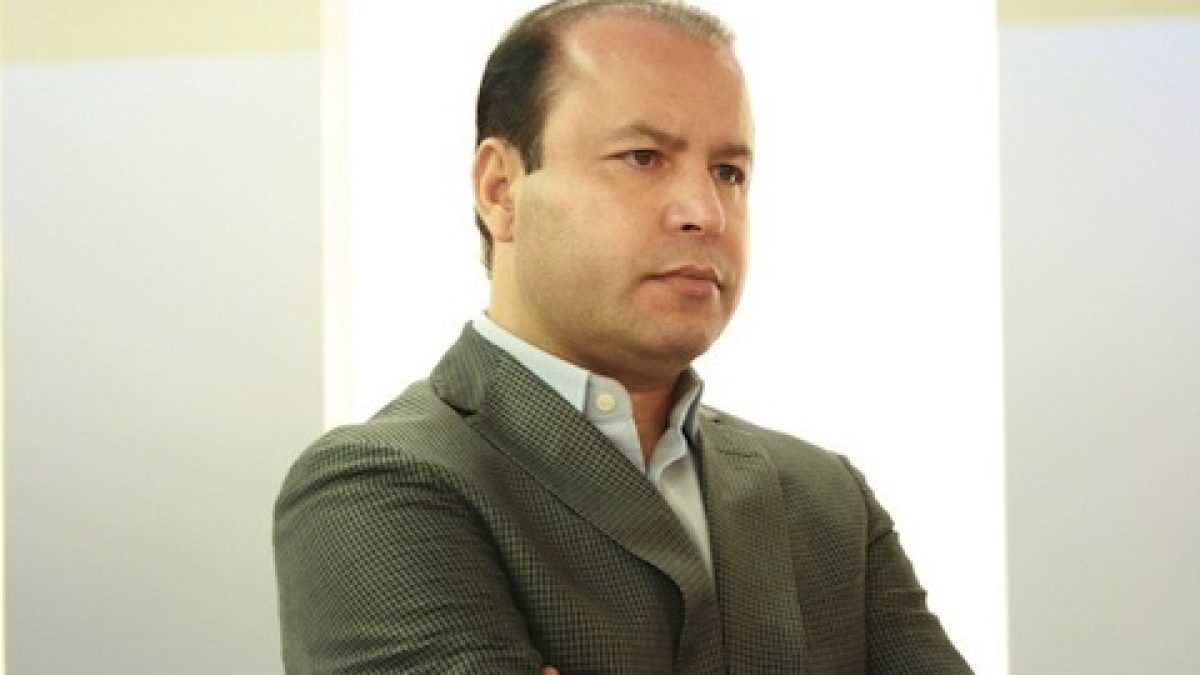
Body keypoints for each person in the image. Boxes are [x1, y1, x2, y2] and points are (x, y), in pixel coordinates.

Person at [274, 1, 972, 672]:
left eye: (728, 172)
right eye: (643, 157)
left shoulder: (827, 499)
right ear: (500, 189)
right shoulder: (378, 484)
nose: (706, 211)